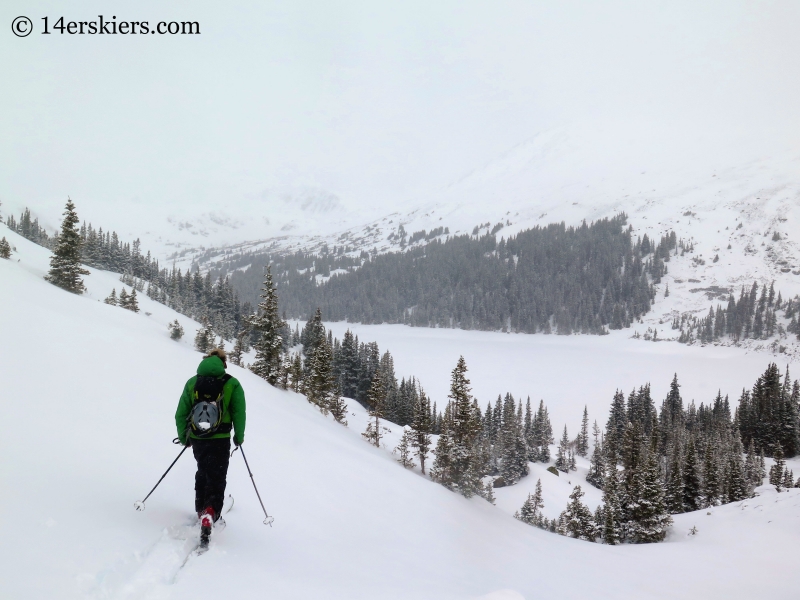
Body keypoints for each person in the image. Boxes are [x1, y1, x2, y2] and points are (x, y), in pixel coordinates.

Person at [175, 348, 245, 543]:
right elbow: (239, 413)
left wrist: (184, 437)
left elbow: (181, 412)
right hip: (221, 437)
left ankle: (200, 510)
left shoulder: (193, 382)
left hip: (198, 437)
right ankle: (211, 513)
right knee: (217, 475)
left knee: (203, 470)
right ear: (223, 363)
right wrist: (239, 436)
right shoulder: (232, 383)